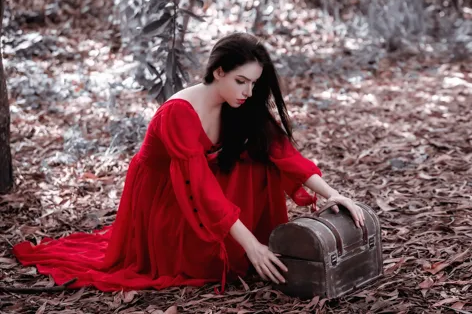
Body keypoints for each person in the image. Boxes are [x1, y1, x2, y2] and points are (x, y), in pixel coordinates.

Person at [13, 32, 365, 293]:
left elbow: (282, 152)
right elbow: (198, 187)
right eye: (240, 81)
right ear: (218, 72)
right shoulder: (179, 113)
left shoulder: (239, 106)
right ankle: (249, 246)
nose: (248, 92)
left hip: (199, 184)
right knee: (216, 247)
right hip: (165, 194)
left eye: (254, 84)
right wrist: (249, 244)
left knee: (260, 157)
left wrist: (333, 194)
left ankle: (255, 243)